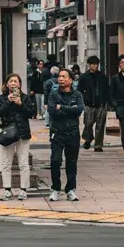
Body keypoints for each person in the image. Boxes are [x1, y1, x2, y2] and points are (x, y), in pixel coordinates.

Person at [0, 73, 35, 200]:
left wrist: (20, 103)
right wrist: (8, 101)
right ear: (7, 84)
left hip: (23, 134)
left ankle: (23, 189)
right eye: (10, 81)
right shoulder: (1, 98)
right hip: (8, 134)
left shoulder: (25, 97)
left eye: (15, 81)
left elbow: (31, 113)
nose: (13, 83)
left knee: (23, 163)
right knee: (6, 163)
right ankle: (7, 189)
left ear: (19, 84)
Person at [48, 66, 84, 202]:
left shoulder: (77, 95)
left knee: (71, 162)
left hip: (73, 133)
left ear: (71, 80)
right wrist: (70, 110)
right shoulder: (54, 94)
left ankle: (70, 189)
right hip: (57, 133)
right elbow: (52, 111)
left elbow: (79, 110)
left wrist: (61, 107)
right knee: (55, 161)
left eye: (64, 77)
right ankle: (55, 189)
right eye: (60, 77)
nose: (61, 79)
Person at [79, 54, 110, 152]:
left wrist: (108, 103)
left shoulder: (103, 77)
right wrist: (82, 101)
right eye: (93, 64)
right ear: (89, 65)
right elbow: (79, 90)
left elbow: (107, 91)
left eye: (97, 64)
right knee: (87, 124)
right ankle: (88, 139)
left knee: (100, 126)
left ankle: (98, 145)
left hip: (101, 105)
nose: (95, 66)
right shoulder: (84, 77)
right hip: (89, 105)